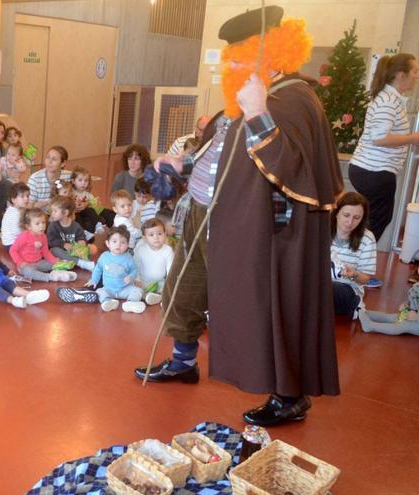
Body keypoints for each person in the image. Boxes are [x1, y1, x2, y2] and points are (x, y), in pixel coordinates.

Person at [135, 7, 343, 427]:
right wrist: (182, 168)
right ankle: (182, 362)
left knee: (263, 309)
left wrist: (256, 112)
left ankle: (288, 396)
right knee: (184, 290)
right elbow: (221, 158)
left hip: (256, 232)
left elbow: (291, 169)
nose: (228, 65)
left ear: (270, 55)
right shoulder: (242, 99)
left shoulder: (292, 100)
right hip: (203, 216)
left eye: (238, 57)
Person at [348, 53, 419, 241]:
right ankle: (353, 261)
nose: (417, 76)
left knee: (373, 219)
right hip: (374, 170)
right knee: (377, 219)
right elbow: (379, 138)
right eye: (414, 71)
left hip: (373, 170)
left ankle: (352, 259)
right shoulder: (388, 100)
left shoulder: (390, 98)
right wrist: (412, 138)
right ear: (400, 75)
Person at [330, 192, 377, 318]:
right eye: (346, 215)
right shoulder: (321, 229)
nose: (350, 222)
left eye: (357, 218)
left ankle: (356, 306)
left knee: (330, 288)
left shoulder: (367, 238)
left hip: (347, 289)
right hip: (318, 285)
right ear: (336, 213)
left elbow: (366, 278)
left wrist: (355, 274)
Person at [84, 226, 146, 313]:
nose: (118, 245)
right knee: (99, 291)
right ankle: (108, 302)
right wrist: (94, 280)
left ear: (128, 244)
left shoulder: (128, 257)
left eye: (123, 242)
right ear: (107, 243)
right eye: (114, 241)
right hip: (109, 289)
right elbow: (98, 269)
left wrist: (131, 277)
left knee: (138, 291)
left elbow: (134, 270)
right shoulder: (104, 256)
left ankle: (131, 303)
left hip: (124, 289)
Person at [9, 208, 77, 283]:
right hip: (26, 265)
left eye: (43, 222)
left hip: (39, 263)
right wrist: (20, 262)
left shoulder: (43, 236)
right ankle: (51, 277)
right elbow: (13, 250)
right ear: (29, 227)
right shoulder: (24, 236)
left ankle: (60, 272)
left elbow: (46, 252)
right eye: (37, 223)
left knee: (56, 262)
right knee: (28, 271)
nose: (42, 226)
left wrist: (55, 261)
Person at [358, 271, 419, 336]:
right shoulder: (417, 286)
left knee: (403, 326)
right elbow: (414, 301)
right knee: (392, 317)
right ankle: (364, 312)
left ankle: (370, 326)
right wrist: (407, 306)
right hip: (412, 315)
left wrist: (416, 316)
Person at [46, 196, 96, 271]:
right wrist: (64, 244)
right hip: (61, 251)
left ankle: (69, 262)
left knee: (92, 248)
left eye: (55, 211)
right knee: (53, 250)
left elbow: (81, 237)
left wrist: (81, 242)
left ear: (65, 212)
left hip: (73, 251)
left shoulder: (76, 225)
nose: (52, 214)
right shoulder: (53, 225)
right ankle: (80, 263)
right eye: (52, 211)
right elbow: (50, 241)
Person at [133, 219, 174, 306]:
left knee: (169, 290)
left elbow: (170, 269)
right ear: (145, 238)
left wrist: (169, 283)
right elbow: (135, 267)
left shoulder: (168, 250)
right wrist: (137, 279)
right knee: (135, 292)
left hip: (160, 283)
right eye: (151, 235)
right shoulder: (140, 250)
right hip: (143, 282)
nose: (156, 237)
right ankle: (141, 300)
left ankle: (159, 297)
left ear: (165, 234)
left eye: (159, 234)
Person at [28, 146, 71, 210]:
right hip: (39, 216)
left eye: (54, 159)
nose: (49, 161)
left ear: (63, 163)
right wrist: (47, 202)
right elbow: (29, 206)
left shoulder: (69, 176)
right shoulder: (35, 179)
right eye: (48, 157)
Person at [1, 182, 30, 249]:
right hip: (12, 244)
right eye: (22, 196)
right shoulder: (15, 214)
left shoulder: (14, 209)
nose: (26, 199)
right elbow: (18, 233)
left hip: (14, 242)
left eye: (27, 196)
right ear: (13, 199)